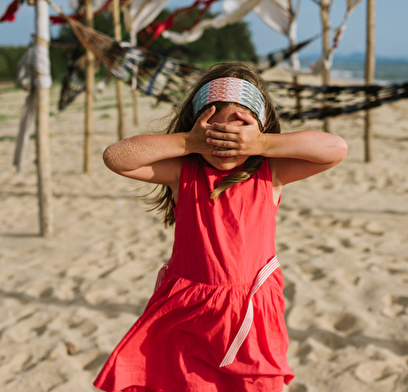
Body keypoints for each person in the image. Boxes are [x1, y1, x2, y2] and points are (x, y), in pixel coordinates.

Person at [94, 61, 348, 392]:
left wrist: (261, 145)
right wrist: (188, 142)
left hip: (250, 310)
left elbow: (335, 149)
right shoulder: (183, 173)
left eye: (238, 133)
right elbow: (116, 157)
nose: (224, 144)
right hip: (187, 308)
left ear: (258, 128)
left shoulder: (271, 173)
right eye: (213, 133)